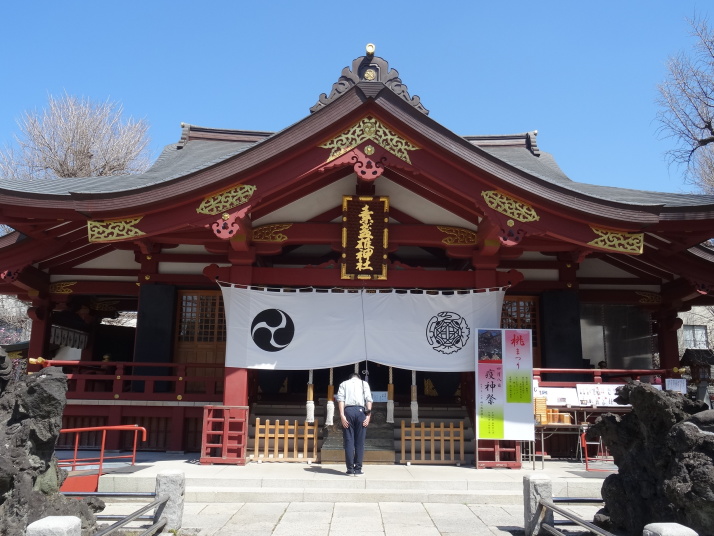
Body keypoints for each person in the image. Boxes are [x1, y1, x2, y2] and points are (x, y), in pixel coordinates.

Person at [336, 372, 373, 476]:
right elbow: (369, 400)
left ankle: (350, 469)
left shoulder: (344, 384)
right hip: (361, 411)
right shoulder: (364, 383)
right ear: (359, 378)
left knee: (349, 440)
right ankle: (358, 470)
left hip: (348, 411)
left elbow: (341, 400)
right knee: (359, 442)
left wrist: (342, 415)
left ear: (350, 378)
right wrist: (368, 416)